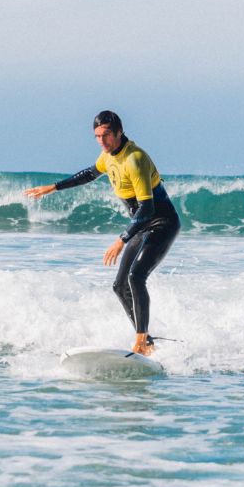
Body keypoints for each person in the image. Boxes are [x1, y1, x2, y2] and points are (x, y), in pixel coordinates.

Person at [23, 110, 180, 356]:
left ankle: (141, 341)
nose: (102, 141)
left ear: (119, 132)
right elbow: (90, 173)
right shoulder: (108, 156)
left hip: (162, 223)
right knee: (120, 285)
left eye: (106, 135)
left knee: (136, 277)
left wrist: (121, 240)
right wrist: (54, 187)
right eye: (97, 136)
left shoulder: (134, 159)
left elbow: (147, 208)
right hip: (142, 224)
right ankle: (147, 341)